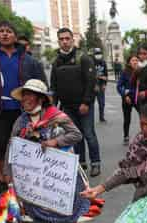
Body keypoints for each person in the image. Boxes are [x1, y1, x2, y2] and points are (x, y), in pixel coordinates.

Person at [3, 79, 92, 223]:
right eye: (24, 94)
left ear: (41, 98)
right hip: (34, 174)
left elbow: (77, 135)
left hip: (58, 172)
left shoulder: (56, 115)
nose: (25, 98)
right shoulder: (21, 121)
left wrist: (55, 142)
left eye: (30, 94)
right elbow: (12, 145)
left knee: (68, 204)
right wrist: (7, 171)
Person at [0, 21, 47, 197]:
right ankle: (0, 180)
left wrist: (41, 105)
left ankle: (25, 181)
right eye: (1, 31)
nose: (5, 34)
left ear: (15, 36)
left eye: (9, 31)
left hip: (24, 111)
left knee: (26, 146)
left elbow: (42, 83)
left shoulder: (28, 59)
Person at [50, 27, 101, 177]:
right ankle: (80, 163)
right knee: (75, 136)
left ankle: (95, 163)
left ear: (73, 40)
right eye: (61, 39)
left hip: (84, 106)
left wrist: (86, 102)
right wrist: (52, 108)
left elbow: (91, 82)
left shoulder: (83, 58)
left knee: (89, 134)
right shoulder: (56, 62)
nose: (65, 42)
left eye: (67, 38)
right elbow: (54, 87)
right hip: (67, 108)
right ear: (58, 41)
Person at [117, 54, 139, 145]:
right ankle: (126, 136)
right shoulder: (125, 72)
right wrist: (125, 96)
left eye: (137, 60)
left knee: (144, 117)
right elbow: (119, 86)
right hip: (127, 99)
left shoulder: (141, 71)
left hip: (138, 98)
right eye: (133, 60)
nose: (135, 62)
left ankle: (146, 135)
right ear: (129, 62)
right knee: (127, 119)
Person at [93, 48, 108, 122]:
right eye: (96, 54)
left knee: (102, 103)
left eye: (99, 53)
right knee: (90, 103)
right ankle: (89, 118)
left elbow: (106, 74)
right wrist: (94, 84)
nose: (98, 55)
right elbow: (89, 75)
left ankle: (101, 116)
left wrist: (105, 84)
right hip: (93, 86)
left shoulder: (103, 63)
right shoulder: (91, 63)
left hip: (101, 84)